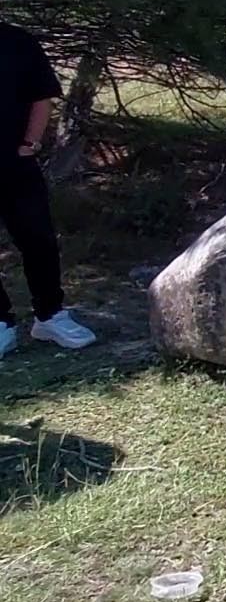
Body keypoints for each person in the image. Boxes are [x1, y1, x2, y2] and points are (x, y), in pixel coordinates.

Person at [0, 22, 98, 360]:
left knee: (38, 238)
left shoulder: (17, 42)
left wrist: (29, 144)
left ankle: (49, 316)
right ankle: (1, 324)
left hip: (15, 162)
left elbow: (41, 97)